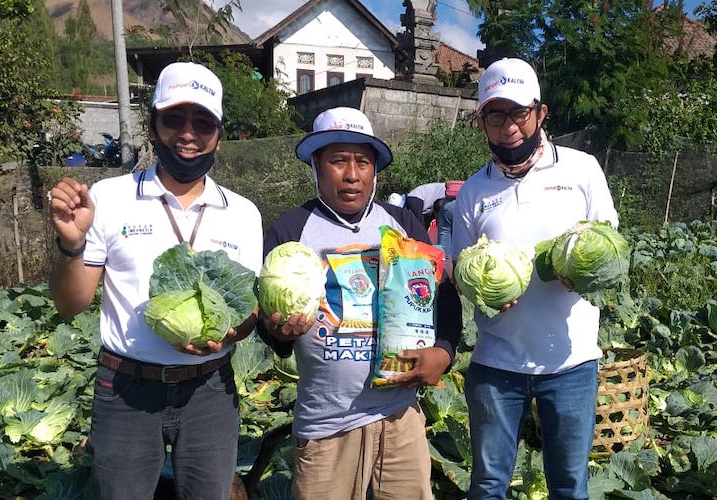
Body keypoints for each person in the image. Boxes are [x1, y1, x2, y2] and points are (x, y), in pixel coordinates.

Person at [47, 61, 262, 500]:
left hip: (210, 391)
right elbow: (70, 305)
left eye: (203, 122)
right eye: (174, 119)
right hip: (126, 390)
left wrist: (225, 336)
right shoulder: (108, 197)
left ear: (219, 133)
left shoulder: (243, 212)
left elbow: (249, 309)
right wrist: (71, 243)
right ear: (152, 124)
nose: (188, 134)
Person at [256, 107, 462, 500]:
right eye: (338, 161)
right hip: (326, 423)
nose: (352, 174)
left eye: (362, 162)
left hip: (400, 414)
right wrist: (277, 330)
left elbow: (443, 296)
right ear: (316, 166)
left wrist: (446, 352)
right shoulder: (289, 229)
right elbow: (276, 335)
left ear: (374, 170)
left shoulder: (403, 223)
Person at [451, 57, 619, 499]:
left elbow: (608, 243)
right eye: (496, 114)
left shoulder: (581, 171)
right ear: (481, 121)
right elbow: (457, 267)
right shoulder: (473, 191)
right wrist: (481, 291)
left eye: (519, 112)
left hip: (571, 362)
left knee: (569, 485)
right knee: (487, 485)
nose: (509, 126)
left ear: (540, 113)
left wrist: (580, 272)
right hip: (496, 362)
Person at [436, 179, 464, 274]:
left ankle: (443, 277)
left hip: (447, 205)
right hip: (462, 204)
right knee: (463, 245)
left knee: (444, 242)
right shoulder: (472, 184)